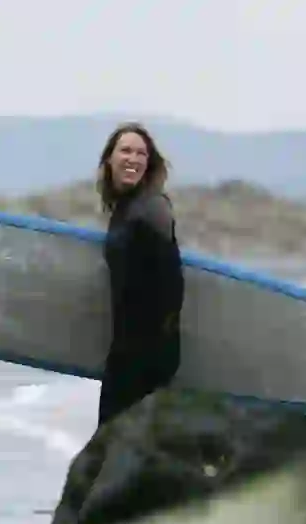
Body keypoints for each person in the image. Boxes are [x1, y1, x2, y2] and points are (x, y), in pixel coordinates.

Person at [95, 122, 185, 426]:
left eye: (141, 153)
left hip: (145, 364)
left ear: (149, 163)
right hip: (123, 358)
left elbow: (173, 287)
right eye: (125, 150)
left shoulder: (153, 208)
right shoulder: (126, 209)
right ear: (109, 159)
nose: (133, 158)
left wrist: (157, 368)